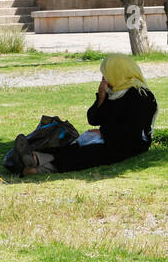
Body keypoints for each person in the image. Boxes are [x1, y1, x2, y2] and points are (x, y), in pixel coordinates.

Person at [15, 55, 157, 176]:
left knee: (90, 153)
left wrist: (104, 133)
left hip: (132, 143)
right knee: (73, 146)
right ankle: (34, 157)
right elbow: (93, 119)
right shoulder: (112, 92)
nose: (104, 79)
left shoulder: (141, 96)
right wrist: (101, 99)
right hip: (108, 137)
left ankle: (35, 169)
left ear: (118, 72)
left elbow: (131, 129)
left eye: (107, 74)